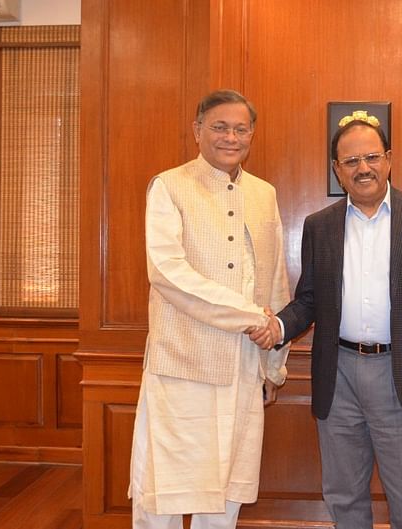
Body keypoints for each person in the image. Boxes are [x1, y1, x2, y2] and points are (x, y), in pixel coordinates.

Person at [251, 112, 402, 529]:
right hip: (338, 374)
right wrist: (277, 328)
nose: (363, 168)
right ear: (337, 171)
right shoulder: (319, 226)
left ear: (389, 159)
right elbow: (308, 300)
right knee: (343, 494)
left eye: (371, 157)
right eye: (350, 161)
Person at [129, 89, 290, 529]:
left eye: (240, 129)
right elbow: (166, 271)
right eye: (219, 127)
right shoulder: (169, 185)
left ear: (252, 135)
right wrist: (248, 317)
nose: (230, 137)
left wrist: (272, 364)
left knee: (226, 488)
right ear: (197, 130)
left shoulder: (264, 193)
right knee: (163, 485)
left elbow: (274, 278)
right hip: (181, 359)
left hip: (242, 364)